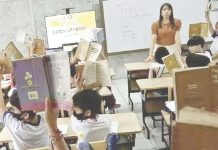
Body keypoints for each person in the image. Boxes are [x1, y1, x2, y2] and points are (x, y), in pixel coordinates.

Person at [0, 67, 49, 150]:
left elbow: (1, 107)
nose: (10, 111)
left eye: (12, 109)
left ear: (25, 115)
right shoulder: (45, 119)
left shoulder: (16, 127)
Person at [45, 89, 111, 150]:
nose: (74, 111)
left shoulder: (79, 125)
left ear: (88, 112)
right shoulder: (107, 120)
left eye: (75, 110)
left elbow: (73, 117)